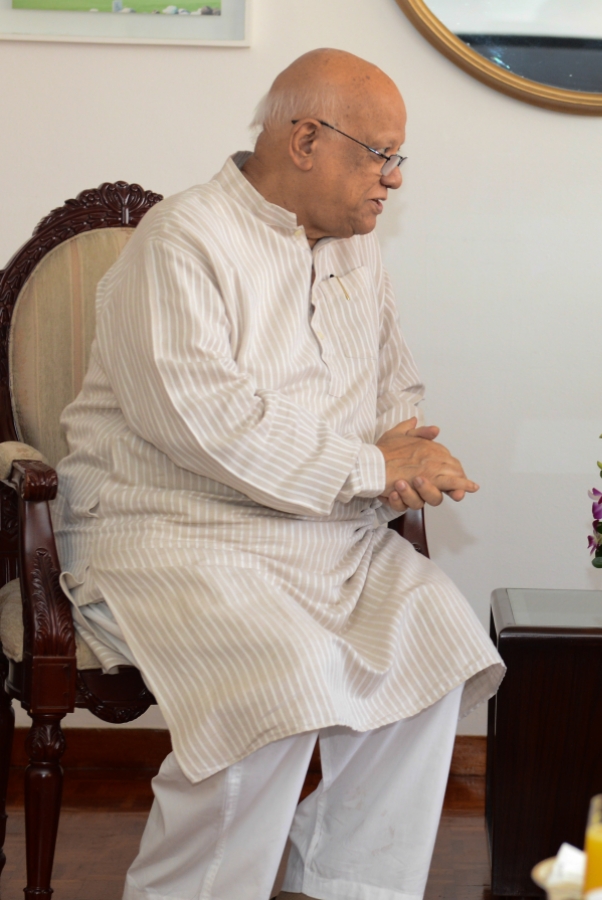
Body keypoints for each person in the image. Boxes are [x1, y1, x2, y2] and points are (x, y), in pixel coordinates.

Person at [53, 48, 505, 899]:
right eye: (382, 155)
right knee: (278, 676)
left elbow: (392, 387)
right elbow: (206, 427)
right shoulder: (182, 240)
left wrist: (402, 452)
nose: (393, 181)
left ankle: (344, 884)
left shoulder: (350, 247)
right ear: (306, 141)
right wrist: (376, 463)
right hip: (169, 528)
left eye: (397, 160)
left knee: (435, 639)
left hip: (321, 530)